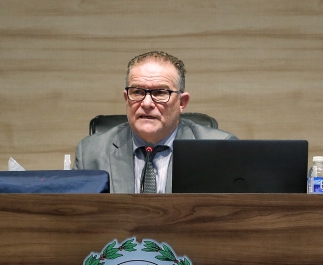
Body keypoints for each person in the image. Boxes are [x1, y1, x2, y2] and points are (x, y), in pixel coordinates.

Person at [75, 51, 235, 193]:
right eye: (137, 92)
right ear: (126, 98)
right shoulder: (91, 153)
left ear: (182, 102)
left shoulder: (222, 151)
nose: (146, 103)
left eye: (160, 92)